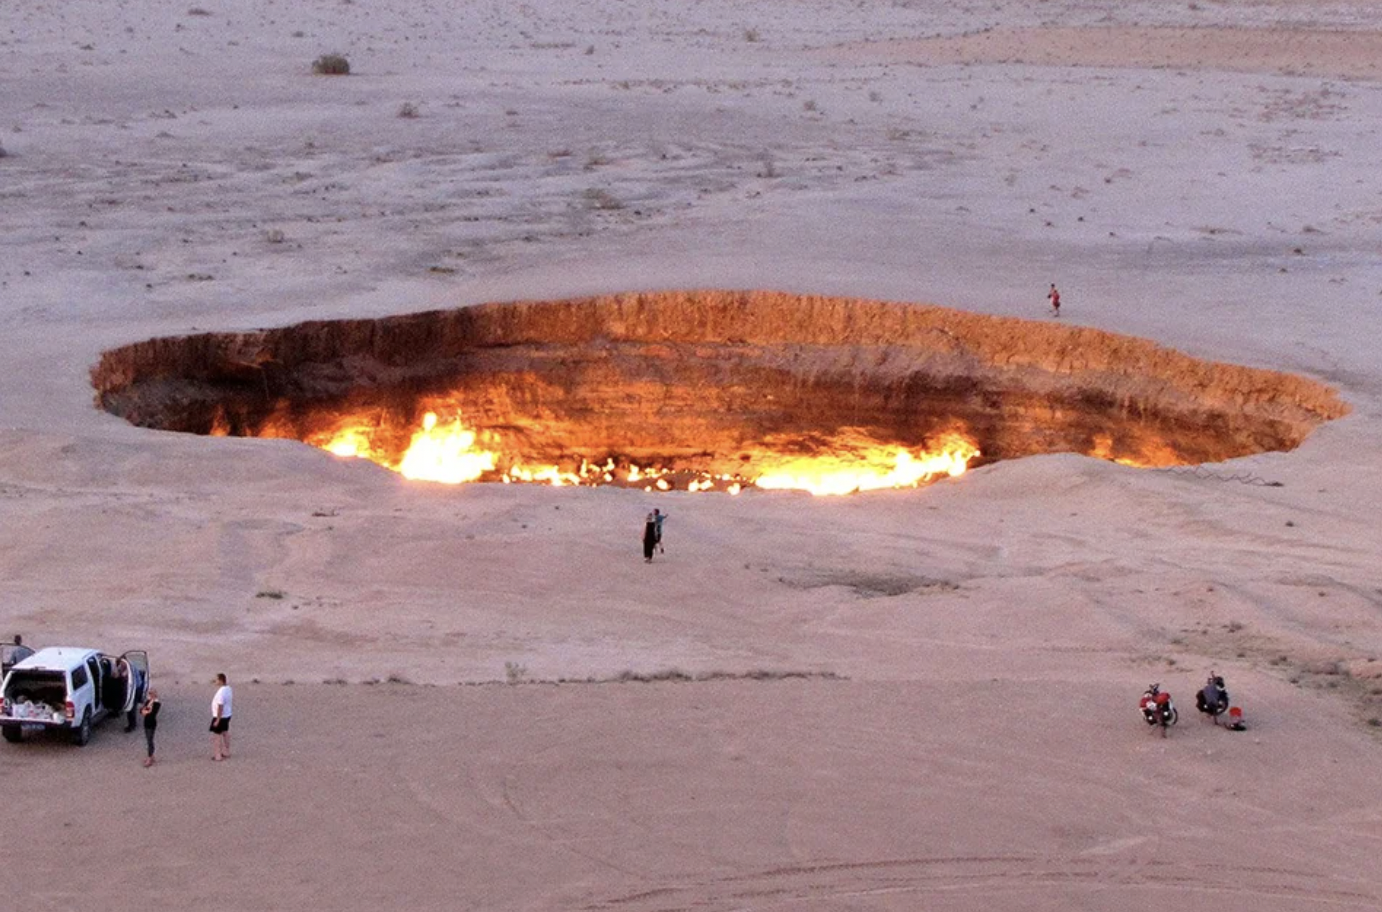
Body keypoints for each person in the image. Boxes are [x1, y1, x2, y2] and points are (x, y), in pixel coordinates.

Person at [210, 673, 233, 761]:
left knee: (217, 736)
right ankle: (226, 751)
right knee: (225, 732)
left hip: (220, 716)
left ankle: (218, 755)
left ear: (220, 680)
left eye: (216, 680)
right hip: (227, 715)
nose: (215, 682)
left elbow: (220, 706)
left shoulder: (221, 693)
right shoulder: (228, 689)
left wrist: (217, 720)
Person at [140, 688, 161, 767]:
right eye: (149, 693)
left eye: (151, 694)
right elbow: (142, 710)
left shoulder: (156, 703)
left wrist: (145, 711)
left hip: (151, 723)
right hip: (146, 722)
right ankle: (151, 756)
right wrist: (145, 711)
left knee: (150, 740)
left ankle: (150, 757)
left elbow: (152, 713)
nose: (150, 695)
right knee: (148, 739)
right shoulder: (148, 701)